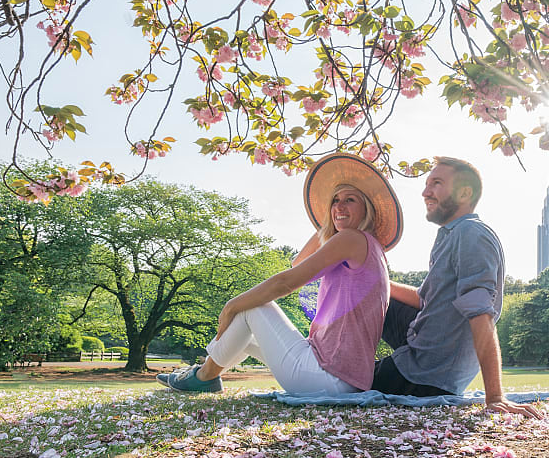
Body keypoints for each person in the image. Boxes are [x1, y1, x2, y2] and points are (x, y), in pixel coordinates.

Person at [159, 152, 402, 394]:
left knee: (252, 306)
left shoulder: (352, 238)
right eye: (334, 201)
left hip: (327, 376)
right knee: (246, 335)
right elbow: (298, 264)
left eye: (349, 200)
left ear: (366, 207)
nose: (338, 206)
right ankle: (207, 373)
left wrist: (231, 305)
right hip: (343, 379)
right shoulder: (368, 246)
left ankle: (203, 377)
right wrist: (330, 223)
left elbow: (286, 281)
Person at [372, 156, 541, 418]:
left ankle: (349, 369)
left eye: (436, 183)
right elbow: (422, 298)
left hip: (425, 377)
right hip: (422, 344)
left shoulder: (471, 233)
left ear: (464, 193)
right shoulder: (451, 234)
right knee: (369, 288)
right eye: (427, 184)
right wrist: (375, 279)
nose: (425, 192)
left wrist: (495, 395)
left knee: (334, 382)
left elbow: (480, 312)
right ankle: (350, 362)